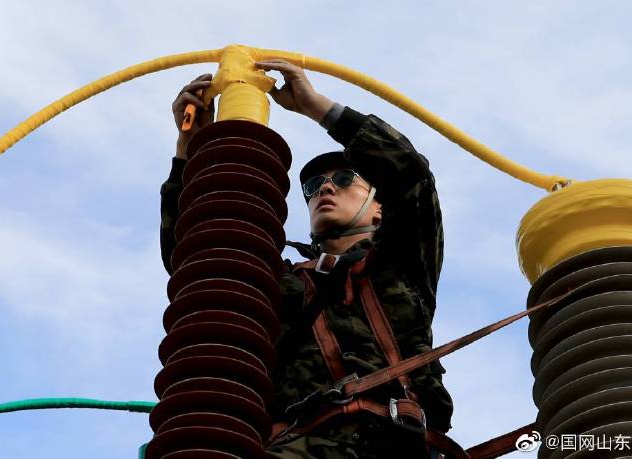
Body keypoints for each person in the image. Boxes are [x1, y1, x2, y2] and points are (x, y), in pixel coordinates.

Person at [161, 61, 455, 458]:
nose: (325, 189)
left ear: (380, 209)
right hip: (292, 447)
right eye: (314, 186)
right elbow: (202, 265)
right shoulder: (281, 284)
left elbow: (410, 174)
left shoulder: (400, 265)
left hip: (394, 443)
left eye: (345, 179)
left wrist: (315, 106)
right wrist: (190, 149)